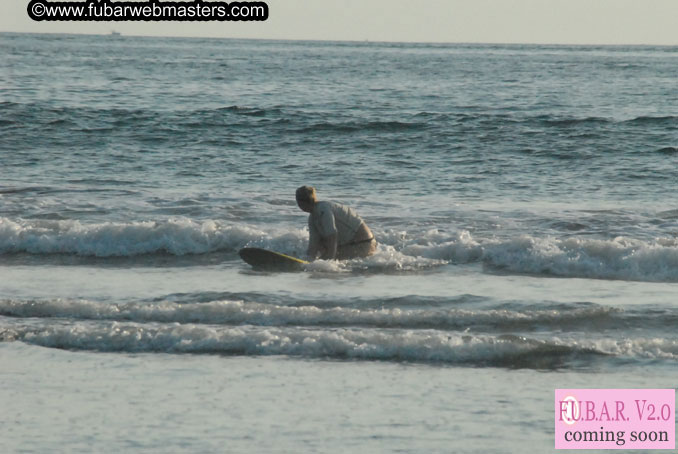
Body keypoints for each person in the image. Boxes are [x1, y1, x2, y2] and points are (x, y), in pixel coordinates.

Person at [295, 186, 377, 261]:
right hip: (351, 244)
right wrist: (307, 259)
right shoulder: (313, 217)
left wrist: (330, 260)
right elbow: (314, 243)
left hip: (364, 243)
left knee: (323, 261)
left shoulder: (323, 209)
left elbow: (332, 235)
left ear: (301, 202)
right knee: (320, 249)